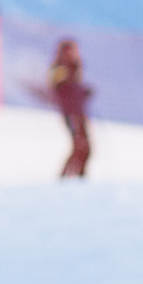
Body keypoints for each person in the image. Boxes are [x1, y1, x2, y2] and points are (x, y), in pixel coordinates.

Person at [44, 37, 94, 180]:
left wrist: (83, 93)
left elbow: (72, 89)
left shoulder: (74, 67)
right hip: (70, 113)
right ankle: (66, 177)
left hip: (78, 112)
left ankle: (79, 176)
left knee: (86, 147)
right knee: (79, 145)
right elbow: (58, 89)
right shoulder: (60, 69)